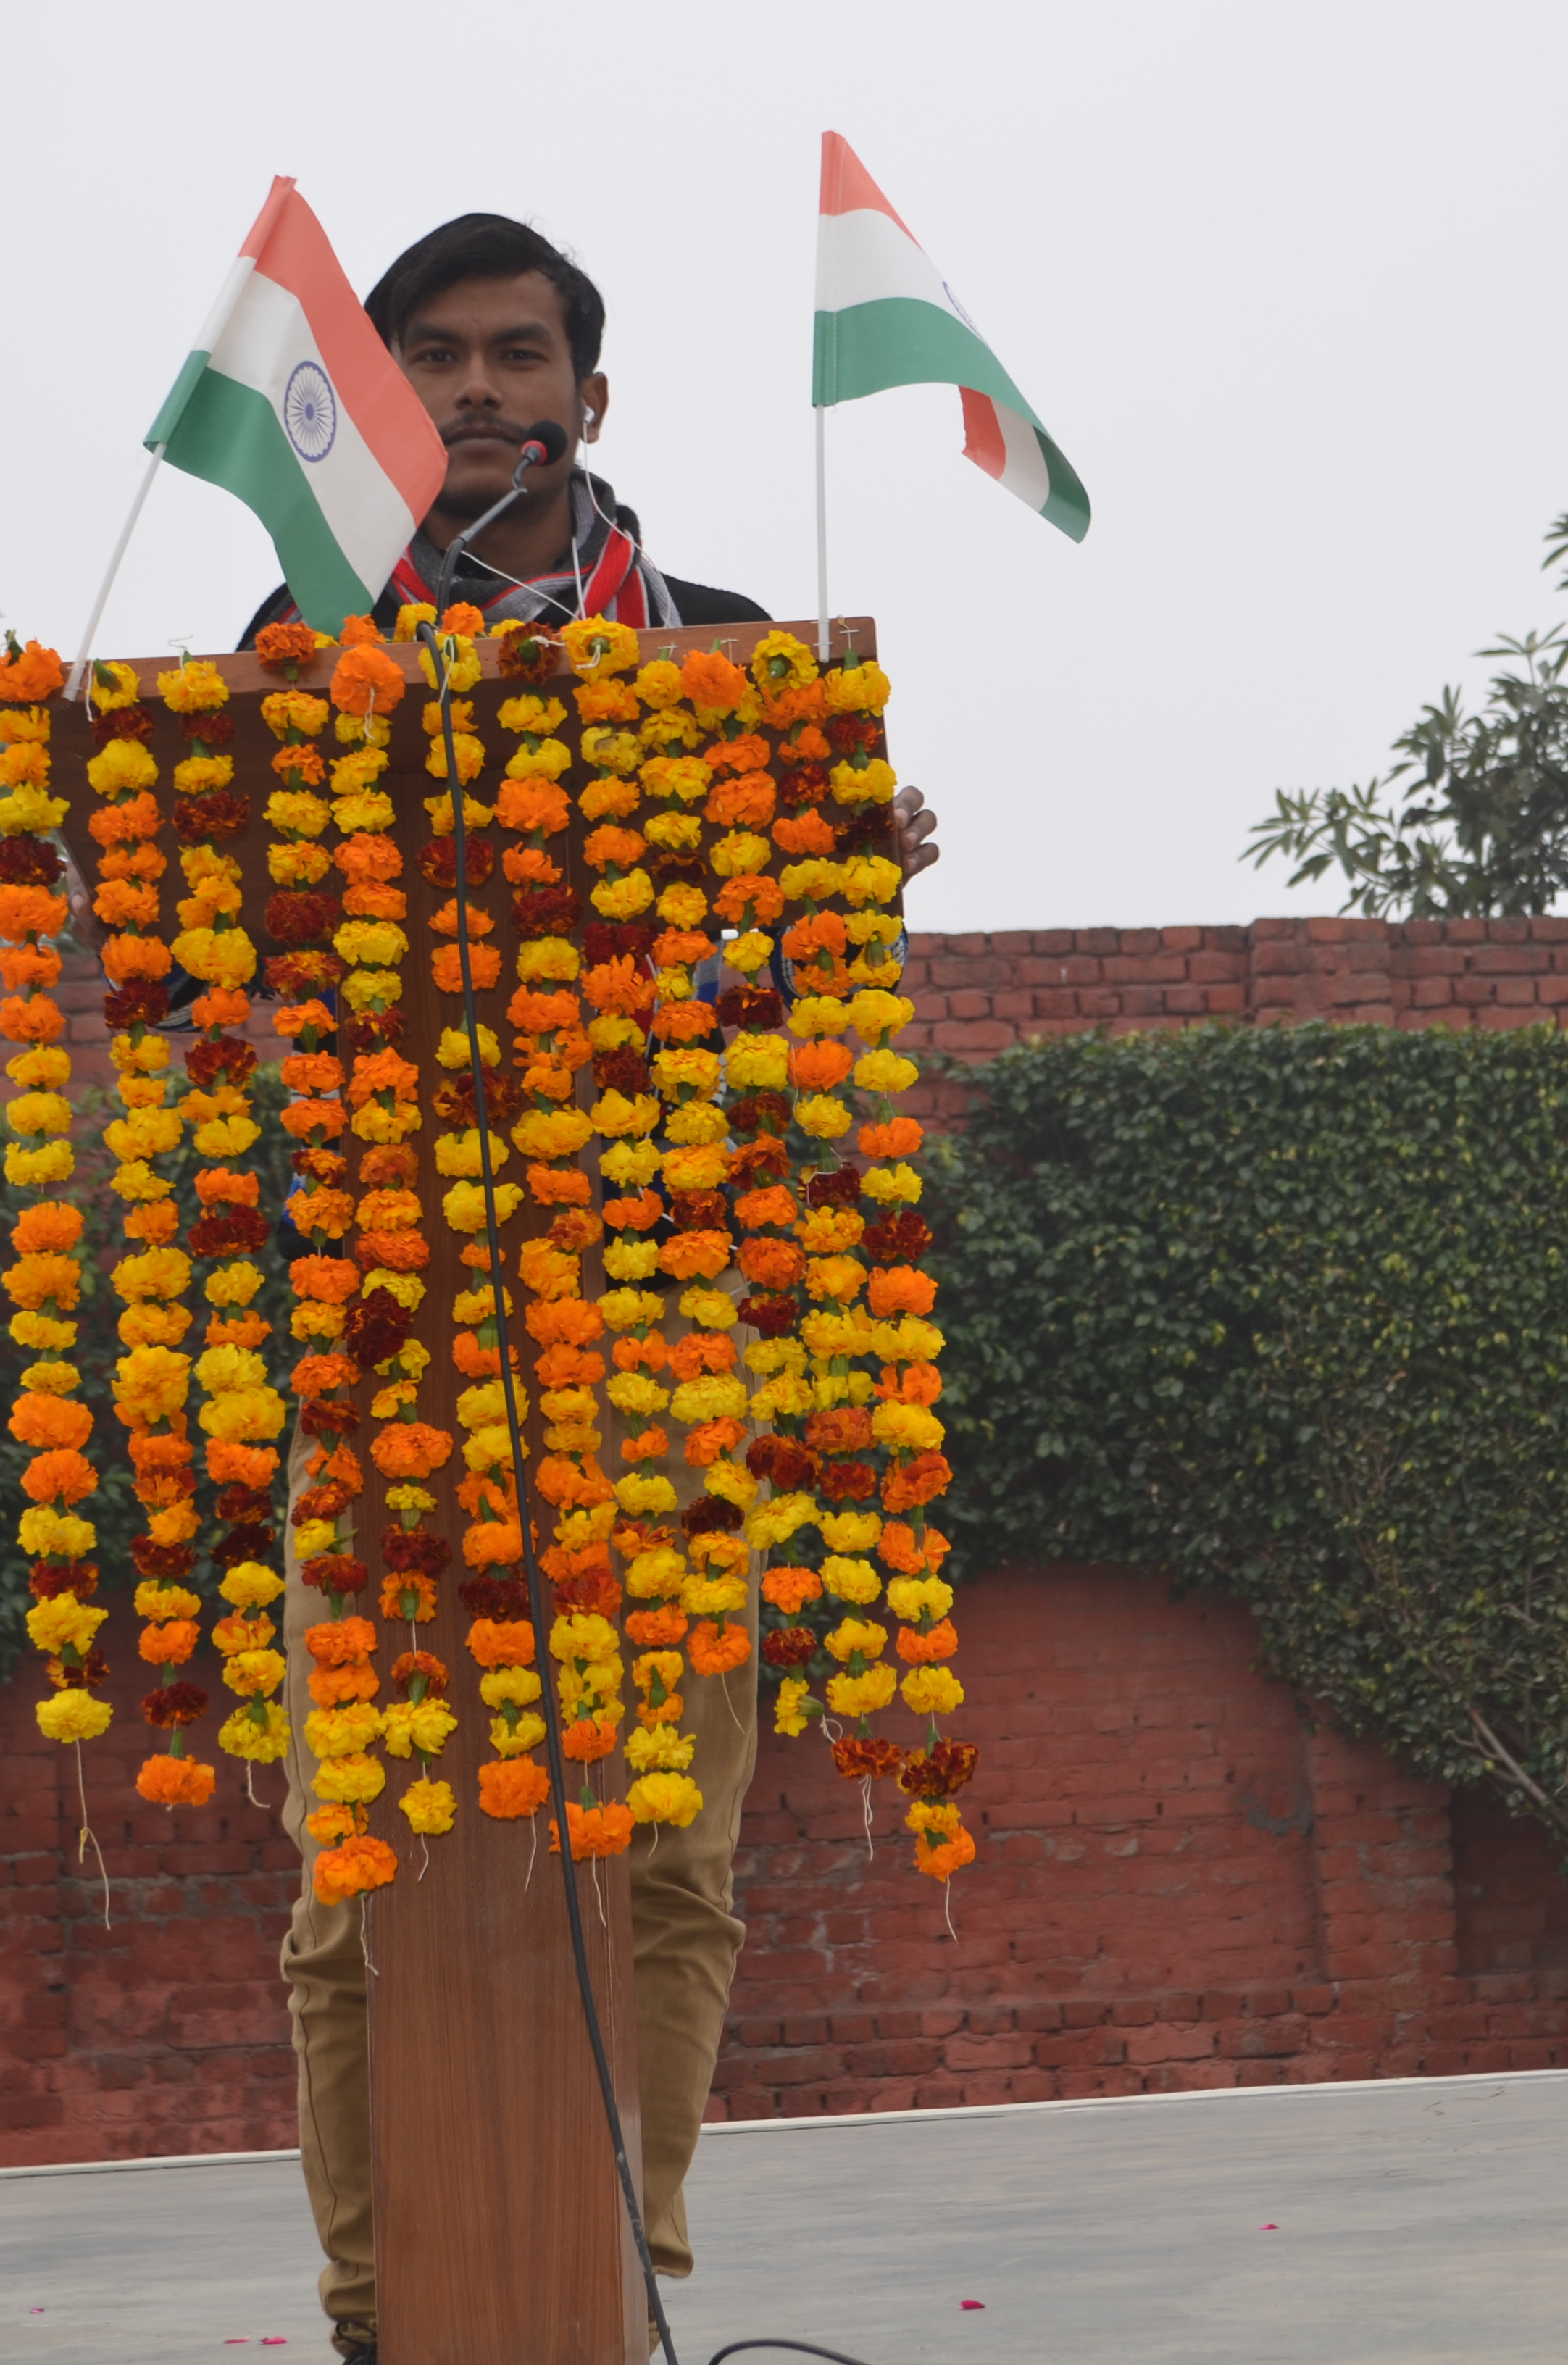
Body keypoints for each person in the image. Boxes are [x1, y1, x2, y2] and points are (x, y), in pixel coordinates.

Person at [255, 212, 935, 2365]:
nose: (479, 390)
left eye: (519, 354)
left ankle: (611, 2284)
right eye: (434, 358)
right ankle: (383, 2321)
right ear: (376, 402)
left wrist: (849, 886)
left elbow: (784, 1013)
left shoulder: (724, 658)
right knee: (352, 1878)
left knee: (672, 1858)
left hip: (660, 1326)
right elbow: (227, 975)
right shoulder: (293, 649)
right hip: (387, 1329)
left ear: (590, 395)